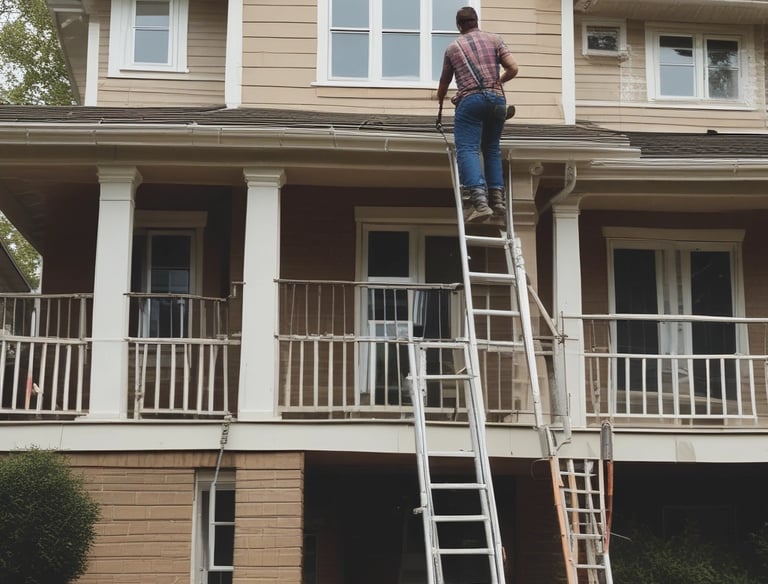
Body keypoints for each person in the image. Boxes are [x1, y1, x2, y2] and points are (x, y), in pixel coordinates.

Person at [437, 6, 519, 221]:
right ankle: (498, 202)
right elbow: (513, 68)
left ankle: (479, 204)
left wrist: (440, 99)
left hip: (471, 101)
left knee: (468, 149)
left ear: (459, 25)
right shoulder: (494, 39)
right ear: (476, 21)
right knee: (491, 148)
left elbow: (444, 85)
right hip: (497, 101)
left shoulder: (453, 48)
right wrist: (496, 83)